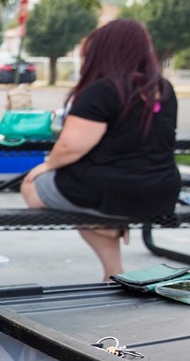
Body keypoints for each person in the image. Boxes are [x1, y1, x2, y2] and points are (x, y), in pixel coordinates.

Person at [21, 18, 180, 280]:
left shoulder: (103, 90)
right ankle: (112, 268)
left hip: (111, 190)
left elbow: (72, 146)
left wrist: (47, 165)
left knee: (32, 187)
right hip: (160, 190)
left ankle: (106, 226)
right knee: (83, 198)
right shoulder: (163, 89)